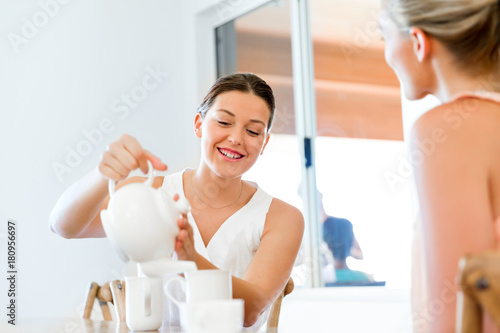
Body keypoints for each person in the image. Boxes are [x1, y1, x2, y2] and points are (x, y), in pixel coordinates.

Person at [49, 73, 305, 329]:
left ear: (264, 143)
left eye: (252, 131)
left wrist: (190, 258)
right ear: (198, 124)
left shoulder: (281, 217)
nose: (237, 138)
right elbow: (63, 226)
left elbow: (251, 310)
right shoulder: (150, 193)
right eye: (225, 122)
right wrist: (102, 175)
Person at [378, 0, 500, 331]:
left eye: (383, 36)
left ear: (418, 42)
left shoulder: (447, 130)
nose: (386, 54)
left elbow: (455, 318)